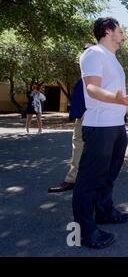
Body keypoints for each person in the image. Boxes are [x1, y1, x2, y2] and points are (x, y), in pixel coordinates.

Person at [72, 17, 128, 249]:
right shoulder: (93, 53)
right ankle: (84, 231)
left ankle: (104, 212)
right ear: (108, 31)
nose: (123, 35)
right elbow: (92, 88)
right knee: (89, 180)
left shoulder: (113, 59)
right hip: (99, 127)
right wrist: (118, 99)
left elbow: (118, 97)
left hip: (116, 127)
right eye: (121, 31)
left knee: (109, 175)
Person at [48, 44, 94, 193]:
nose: (85, 52)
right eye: (84, 50)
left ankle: (75, 180)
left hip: (90, 119)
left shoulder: (96, 74)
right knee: (78, 148)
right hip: (82, 118)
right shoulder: (85, 75)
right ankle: (74, 180)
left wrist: (86, 114)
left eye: (89, 50)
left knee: (85, 149)